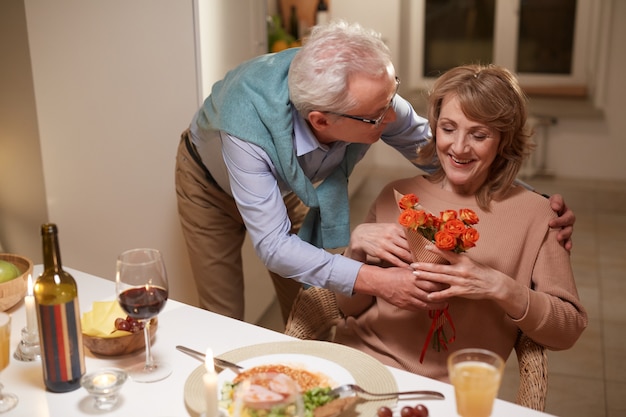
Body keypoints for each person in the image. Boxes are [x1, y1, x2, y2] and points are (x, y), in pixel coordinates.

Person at [175, 21, 575, 324]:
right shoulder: (246, 126)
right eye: (376, 116)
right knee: (223, 313)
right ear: (321, 120)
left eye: (392, 97)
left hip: (287, 182)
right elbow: (274, 247)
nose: (392, 118)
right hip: (210, 187)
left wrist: (532, 202)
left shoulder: (368, 99)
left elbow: (442, 153)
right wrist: (375, 279)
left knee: (310, 299)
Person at [333, 64, 588, 380]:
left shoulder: (540, 216)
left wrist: (498, 286)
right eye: (448, 128)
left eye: (479, 134)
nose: (459, 147)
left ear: (503, 140)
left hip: (451, 392)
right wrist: (355, 252)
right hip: (357, 364)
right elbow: (349, 309)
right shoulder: (394, 196)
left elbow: (567, 330)